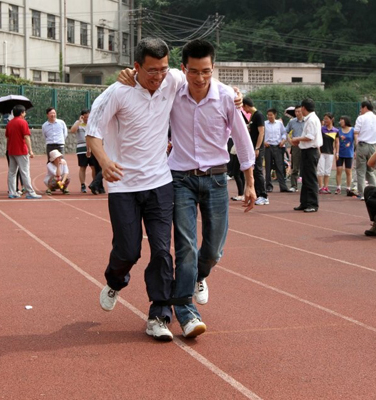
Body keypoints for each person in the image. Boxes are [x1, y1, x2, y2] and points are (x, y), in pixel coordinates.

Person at [86, 37, 185, 342]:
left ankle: (159, 314)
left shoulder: (173, 80)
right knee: (128, 250)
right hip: (123, 185)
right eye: (152, 70)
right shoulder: (118, 92)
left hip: (159, 182)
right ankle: (115, 280)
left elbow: (202, 83)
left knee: (162, 251)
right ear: (137, 67)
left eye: (163, 69)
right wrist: (105, 162)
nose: (159, 76)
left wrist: (235, 96)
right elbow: (93, 133)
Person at [166, 39, 256, 338]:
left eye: (206, 71)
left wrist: (250, 184)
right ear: (184, 69)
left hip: (216, 179)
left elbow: (242, 139)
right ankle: (186, 310)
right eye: (193, 71)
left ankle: (198, 276)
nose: (200, 78)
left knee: (214, 250)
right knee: (186, 246)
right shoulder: (173, 92)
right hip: (181, 178)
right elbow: (149, 78)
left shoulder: (227, 97)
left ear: (213, 68)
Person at [290, 98, 322, 213]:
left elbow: (310, 137)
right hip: (306, 150)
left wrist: (297, 139)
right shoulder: (309, 119)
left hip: (311, 151)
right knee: (305, 178)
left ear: (303, 108)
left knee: (311, 178)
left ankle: (313, 204)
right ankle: (304, 202)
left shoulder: (312, 120)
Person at [6, 105, 42, 199]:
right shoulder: (23, 122)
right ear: (22, 113)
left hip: (11, 150)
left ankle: (12, 192)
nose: (25, 113)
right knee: (25, 171)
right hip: (21, 150)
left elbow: (7, 137)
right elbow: (26, 136)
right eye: (24, 112)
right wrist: (30, 150)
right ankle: (30, 192)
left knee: (12, 172)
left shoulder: (9, 123)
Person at [353, 100, 376, 200]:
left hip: (362, 145)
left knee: (360, 170)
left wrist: (356, 146)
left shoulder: (361, 118)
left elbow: (356, 132)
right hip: (373, 146)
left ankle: (362, 193)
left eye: (361, 108)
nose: (361, 110)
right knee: (370, 170)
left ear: (365, 107)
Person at [242, 98, 268, 205]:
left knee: (258, 171)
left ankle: (263, 196)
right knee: (254, 171)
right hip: (252, 148)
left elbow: (261, 133)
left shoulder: (259, 115)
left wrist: (257, 148)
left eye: (243, 107)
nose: (244, 109)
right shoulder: (253, 116)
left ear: (246, 105)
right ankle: (257, 194)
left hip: (257, 149)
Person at [264, 108, 293, 193]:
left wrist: (283, 141)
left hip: (278, 147)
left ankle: (283, 187)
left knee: (280, 167)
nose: (269, 116)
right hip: (268, 147)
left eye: (271, 115)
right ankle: (268, 186)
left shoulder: (279, 124)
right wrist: (264, 142)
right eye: (268, 115)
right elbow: (261, 134)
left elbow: (284, 133)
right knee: (268, 167)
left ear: (275, 115)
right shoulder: (264, 124)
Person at [69, 109, 98, 194]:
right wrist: (79, 121)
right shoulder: (78, 123)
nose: (87, 119)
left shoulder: (92, 123)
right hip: (81, 148)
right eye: (85, 117)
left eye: (88, 117)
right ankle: (82, 185)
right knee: (83, 167)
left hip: (92, 147)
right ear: (82, 116)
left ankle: (94, 184)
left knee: (93, 167)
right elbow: (72, 130)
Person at [318, 113, 339, 194]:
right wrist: (318, 150)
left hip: (330, 153)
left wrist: (337, 153)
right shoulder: (321, 129)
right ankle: (320, 187)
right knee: (320, 170)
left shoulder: (336, 130)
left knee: (327, 171)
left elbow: (337, 142)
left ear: (331, 119)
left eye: (327, 118)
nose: (325, 120)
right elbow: (318, 140)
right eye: (324, 119)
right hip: (321, 153)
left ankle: (326, 187)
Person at [285, 105, 305, 191]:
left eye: (299, 111)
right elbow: (285, 132)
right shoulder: (292, 122)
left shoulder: (307, 121)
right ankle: (293, 186)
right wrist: (290, 141)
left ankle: (306, 186)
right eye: (296, 111)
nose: (297, 113)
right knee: (295, 167)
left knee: (306, 166)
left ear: (302, 111)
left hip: (306, 146)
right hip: (296, 146)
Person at [335, 116, 356, 196]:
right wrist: (336, 153)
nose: (340, 122)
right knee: (339, 170)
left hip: (349, 153)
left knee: (348, 171)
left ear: (346, 121)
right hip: (340, 153)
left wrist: (355, 151)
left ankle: (348, 188)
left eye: (342, 121)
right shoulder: (338, 130)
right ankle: (338, 187)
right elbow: (337, 142)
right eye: (340, 121)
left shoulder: (353, 130)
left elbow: (356, 141)